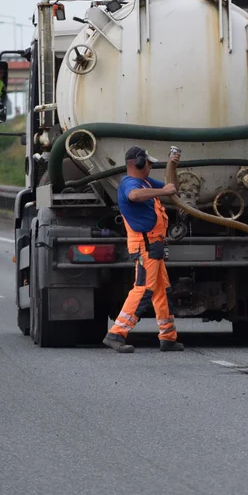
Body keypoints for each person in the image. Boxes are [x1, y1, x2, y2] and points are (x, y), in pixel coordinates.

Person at [102, 145, 184, 354]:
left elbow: (172, 187)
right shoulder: (130, 184)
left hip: (154, 246)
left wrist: (172, 165)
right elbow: (135, 196)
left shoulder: (146, 182)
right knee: (144, 289)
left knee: (162, 291)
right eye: (148, 162)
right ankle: (116, 333)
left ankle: (168, 337)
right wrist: (163, 191)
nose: (150, 166)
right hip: (145, 246)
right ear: (138, 163)